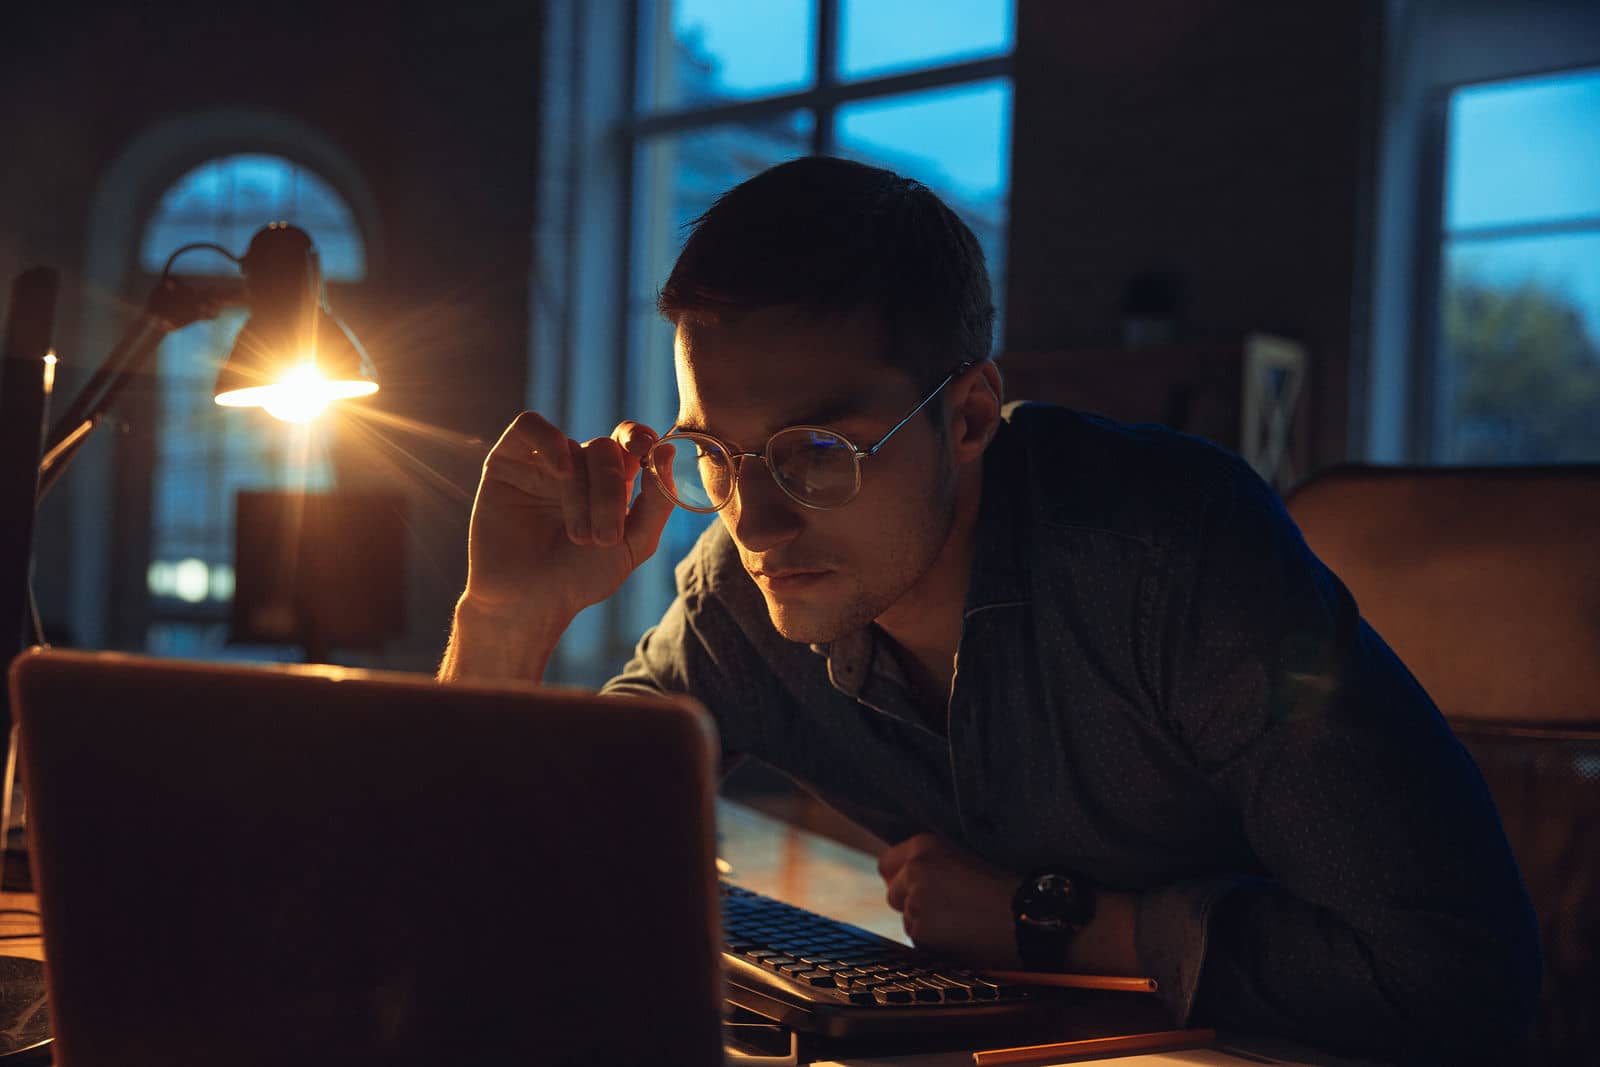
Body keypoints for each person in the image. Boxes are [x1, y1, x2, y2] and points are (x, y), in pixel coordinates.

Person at [439, 157, 1539, 1062]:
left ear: (967, 415)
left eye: (815, 451)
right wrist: (503, 615)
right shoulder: (739, 588)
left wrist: (1051, 918)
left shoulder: (1173, 554)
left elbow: (1456, 978)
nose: (757, 521)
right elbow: (502, 882)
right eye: (714, 455)